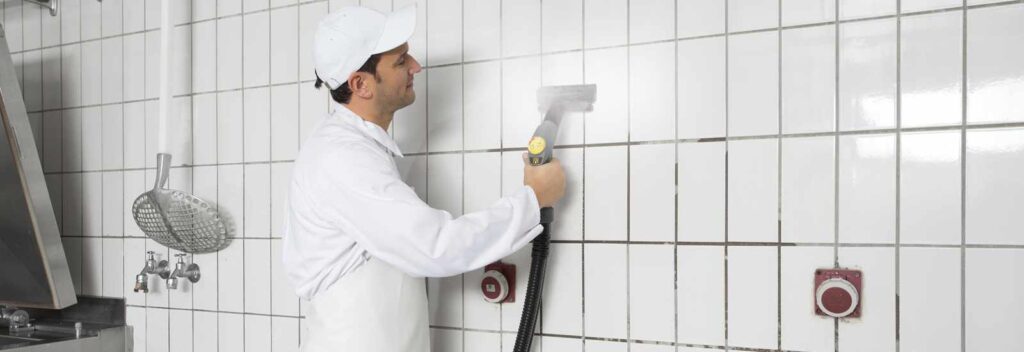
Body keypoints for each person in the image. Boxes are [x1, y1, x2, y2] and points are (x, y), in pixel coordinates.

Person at [282, 5, 566, 351]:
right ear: (360, 84)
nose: (416, 66)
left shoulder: (357, 149)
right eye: (401, 61)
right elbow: (434, 246)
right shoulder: (344, 158)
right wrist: (532, 201)